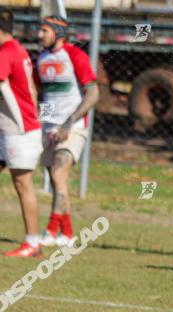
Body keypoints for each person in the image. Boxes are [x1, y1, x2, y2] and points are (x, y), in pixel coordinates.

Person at [34, 15, 99, 248]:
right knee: (55, 179)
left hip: (73, 127)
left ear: (58, 33)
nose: (39, 35)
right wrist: (41, 122)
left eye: (44, 31)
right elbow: (43, 95)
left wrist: (69, 122)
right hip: (49, 129)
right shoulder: (41, 58)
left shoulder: (75, 55)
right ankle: (68, 233)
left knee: (59, 175)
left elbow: (93, 94)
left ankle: (51, 230)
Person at [0, 9, 42, 257]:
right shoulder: (17, 49)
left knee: (22, 184)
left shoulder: (6, 53)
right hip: (10, 128)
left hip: (19, 130)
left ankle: (33, 242)